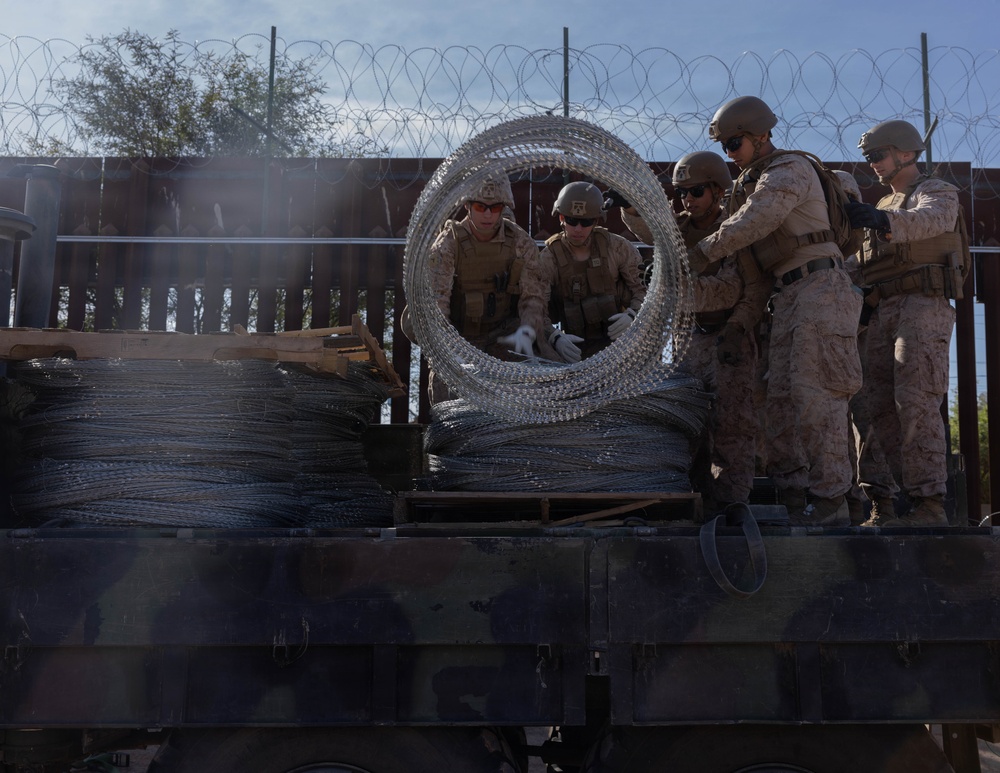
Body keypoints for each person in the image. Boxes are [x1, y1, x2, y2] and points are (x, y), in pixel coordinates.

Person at [688, 96, 863, 527]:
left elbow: (758, 218)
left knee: (816, 397)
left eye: (735, 143)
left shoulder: (788, 170)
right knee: (781, 403)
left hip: (819, 287)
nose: (730, 154)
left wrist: (702, 252)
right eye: (726, 147)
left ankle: (833, 501)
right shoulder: (752, 183)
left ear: (761, 135)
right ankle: (799, 498)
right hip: (788, 297)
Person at [612, 151, 766, 514]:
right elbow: (651, 227)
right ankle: (689, 501)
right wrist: (631, 205)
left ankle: (730, 506)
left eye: (696, 192)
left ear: (716, 191)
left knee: (732, 427)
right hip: (688, 339)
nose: (688, 200)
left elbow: (732, 288)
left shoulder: (734, 230)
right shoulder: (679, 225)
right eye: (682, 193)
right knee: (686, 423)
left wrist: (675, 291)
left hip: (728, 336)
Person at [847, 119, 965, 528]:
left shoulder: (936, 191)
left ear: (907, 153)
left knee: (915, 400)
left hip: (923, 306)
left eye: (878, 155)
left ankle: (929, 504)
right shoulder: (881, 207)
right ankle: (888, 503)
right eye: (869, 158)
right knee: (873, 408)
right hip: (883, 311)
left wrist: (883, 223)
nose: (873, 164)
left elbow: (932, 221)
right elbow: (860, 263)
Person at [411, 171, 539, 402]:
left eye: (495, 208)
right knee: (445, 390)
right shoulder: (447, 245)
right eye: (481, 207)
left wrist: (527, 330)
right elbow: (437, 304)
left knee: (528, 385)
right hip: (460, 337)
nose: (488, 214)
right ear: (468, 206)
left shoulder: (521, 242)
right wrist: (448, 350)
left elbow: (532, 297)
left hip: (503, 336)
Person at [511, 181, 646, 363]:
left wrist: (633, 315)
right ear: (561, 219)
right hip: (573, 346)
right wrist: (554, 337)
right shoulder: (549, 257)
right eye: (571, 221)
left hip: (621, 341)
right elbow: (534, 305)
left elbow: (644, 289)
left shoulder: (617, 247)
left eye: (586, 222)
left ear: (596, 221)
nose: (578, 229)